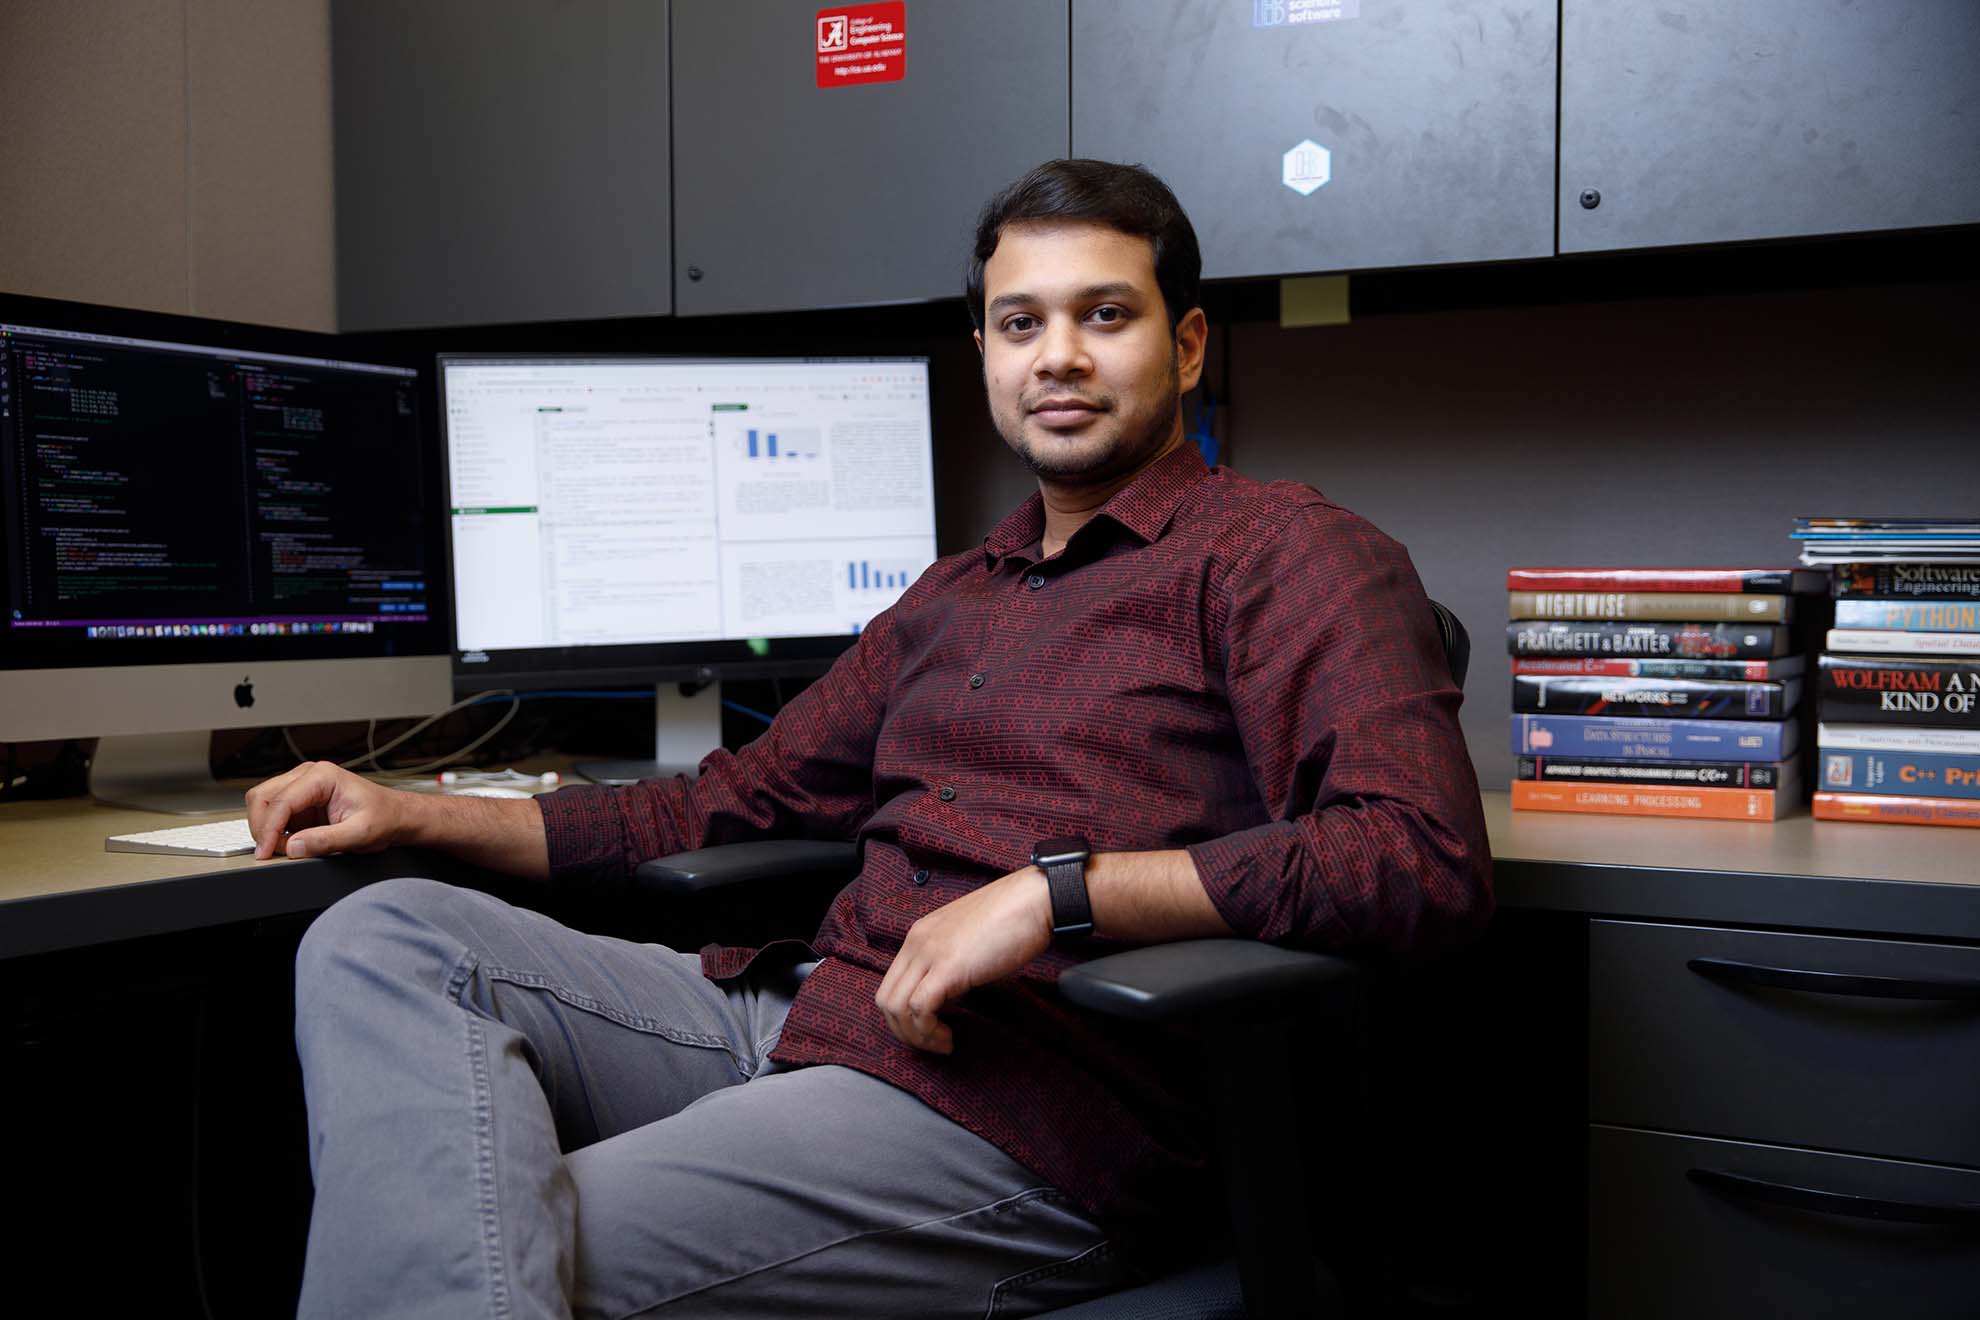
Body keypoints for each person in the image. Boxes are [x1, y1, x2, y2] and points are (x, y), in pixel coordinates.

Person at [250, 159, 1491, 1320]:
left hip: (1020, 1108)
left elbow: (1414, 857)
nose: (1058, 356)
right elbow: (723, 805)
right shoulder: (957, 593)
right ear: (985, 355)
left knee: (507, 1246)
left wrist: (1059, 896)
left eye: (1104, 316)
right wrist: (413, 812)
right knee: (382, 934)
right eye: (1020, 324)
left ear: (1190, 342)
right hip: (796, 1016)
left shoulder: (1285, 553)